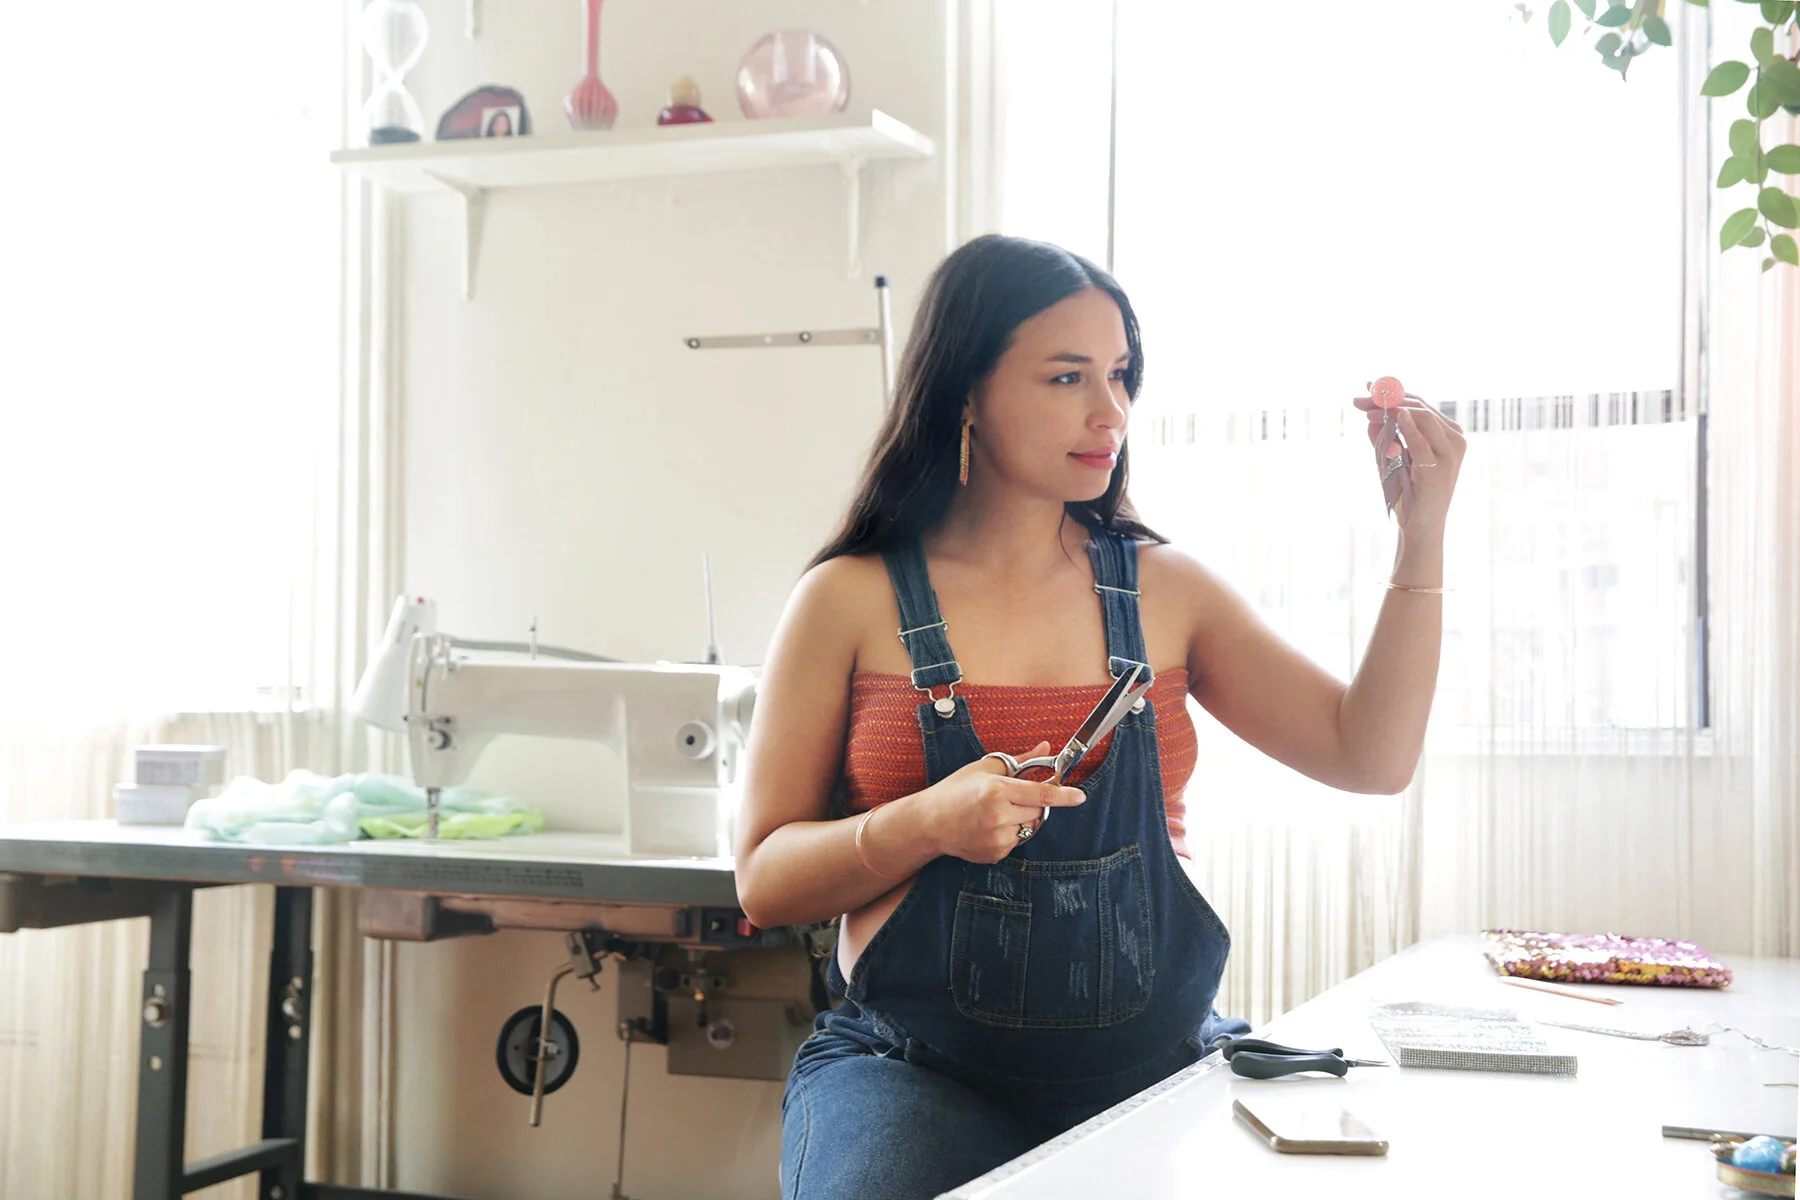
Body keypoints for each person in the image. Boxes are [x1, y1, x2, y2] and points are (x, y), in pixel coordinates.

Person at [734, 234, 1464, 1200]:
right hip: (912, 1071)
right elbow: (764, 881)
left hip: (1151, 1075)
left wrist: (1421, 537)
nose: (1110, 411)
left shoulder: (1169, 590)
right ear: (965, 391)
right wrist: (924, 824)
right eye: (1067, 376)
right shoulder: (847, 599)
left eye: (1121, 375)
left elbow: (1369, 757)